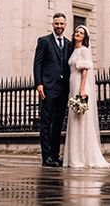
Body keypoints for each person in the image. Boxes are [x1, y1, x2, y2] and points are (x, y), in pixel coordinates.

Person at [63, 25, 110, 169]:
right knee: (74, 119)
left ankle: (81, 158)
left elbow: (85, 71)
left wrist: (81, 89)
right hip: (73, 82)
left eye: (81, 33)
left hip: (81, 84)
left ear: (85, 37)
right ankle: (74, 157)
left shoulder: (84, 50)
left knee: (81, 119)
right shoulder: (73, 50)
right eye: (77, 32)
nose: (78, 34)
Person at [33, 12, 72, 167]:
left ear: (65, 25)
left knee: (57, 124)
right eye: (57, 24)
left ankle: (55, 155)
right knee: (46, 122)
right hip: (48, 88)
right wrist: (39, 84)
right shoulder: (44, 41)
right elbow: (37, 64)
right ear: (52, 24)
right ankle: (46, 157)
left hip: (63, 90)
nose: (59, 27)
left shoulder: (69, 44)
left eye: (62, 24)